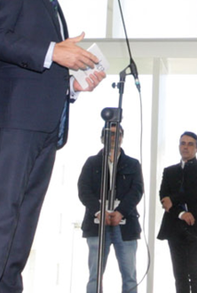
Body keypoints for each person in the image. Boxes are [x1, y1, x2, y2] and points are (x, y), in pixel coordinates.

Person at [0, 0, 106, 292]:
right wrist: (54, 50)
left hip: (46, 126)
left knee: (24, 220)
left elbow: (45, 64)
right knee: (1, 216)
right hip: (14, 120)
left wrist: (75, 84)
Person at [78, 124, 144, 293]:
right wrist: (99, 211)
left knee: (129, 275)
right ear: (102, 138)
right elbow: (83, 190)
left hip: (125, 224)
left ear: (123, 137)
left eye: (117, 134)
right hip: (97, 224)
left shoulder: (133, 164)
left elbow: (137, 191)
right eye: (110, 134)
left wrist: (121, 211)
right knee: (95, 275)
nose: (114, 137)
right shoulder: (92, 162)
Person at [157, 132, 197, 293]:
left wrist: (174, 199)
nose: (186, 147)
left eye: (190, 144)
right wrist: (181, 213)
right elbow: (164, 197)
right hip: (174, 226)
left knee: (196, 271)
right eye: (183, 143)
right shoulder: (169, 171)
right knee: (179, 274)